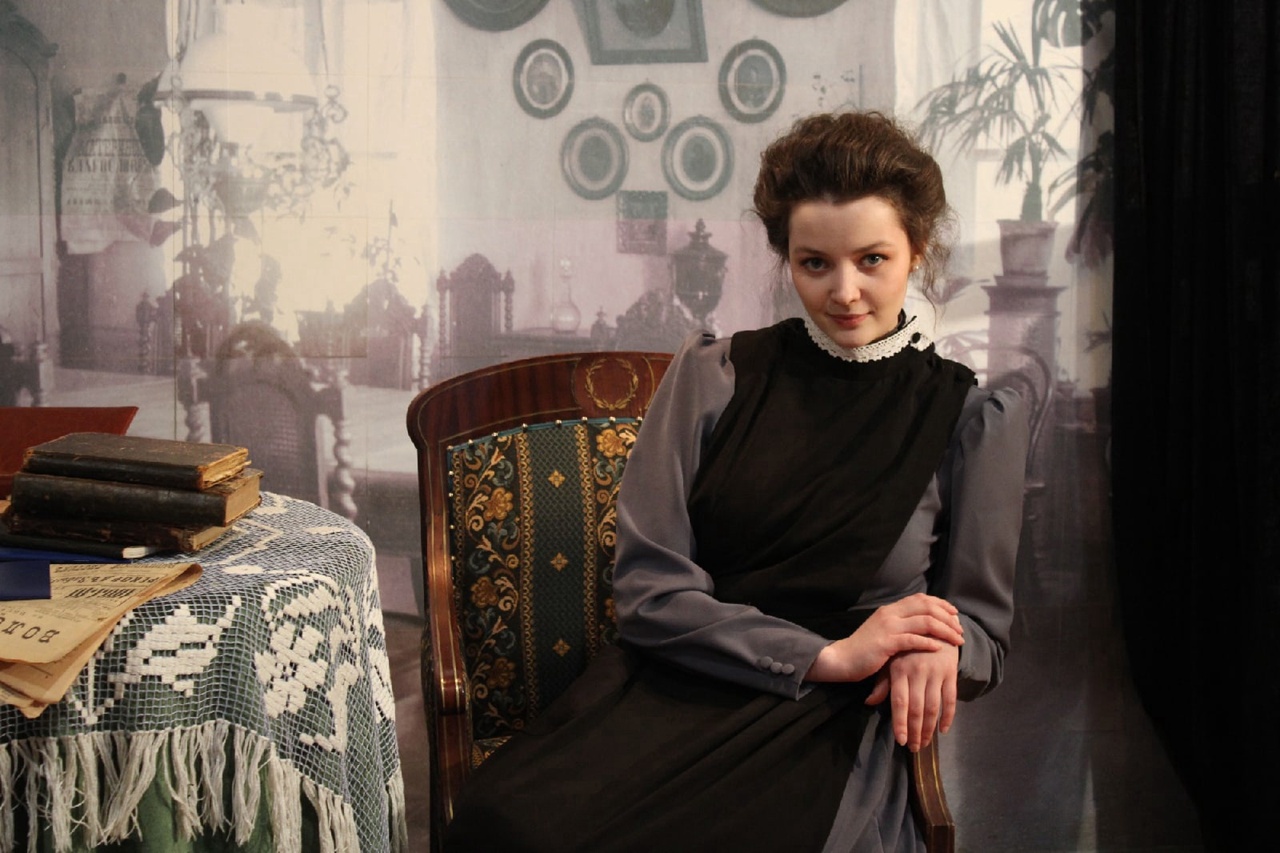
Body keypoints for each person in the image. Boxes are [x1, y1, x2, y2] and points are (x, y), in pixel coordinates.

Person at [443, 110, 1029, 852]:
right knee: (505, 827)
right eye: (815, 263)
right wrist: (826, 655)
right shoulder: (714, 375)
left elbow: (983, 634)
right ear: (787, 259)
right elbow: (649, 591)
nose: (845, 291)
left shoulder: (969, 418)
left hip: (831, 728)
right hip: (678, 684)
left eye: (872, 260)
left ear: (916, 249)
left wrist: (940, 647)